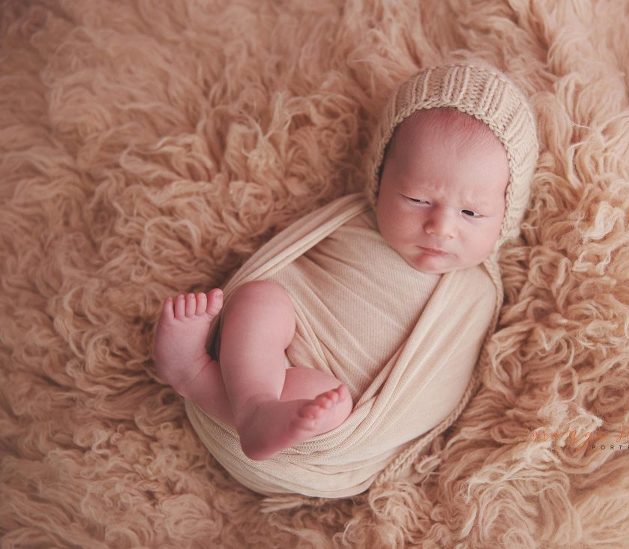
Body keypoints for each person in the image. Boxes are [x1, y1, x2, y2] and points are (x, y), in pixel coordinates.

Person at [151, 61, 539, 497]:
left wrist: (366, 435)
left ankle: (197, 380)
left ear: (505, 215)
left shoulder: (475, 295)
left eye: (472, 213)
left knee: (329, 400)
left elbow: (437, 390)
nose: (441, 226)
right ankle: (241, 397)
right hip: (250, 370)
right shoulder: (353, 222)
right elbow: (288, 264)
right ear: (380, 180)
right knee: (262, 299)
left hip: (317, 436)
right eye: (417, 198)